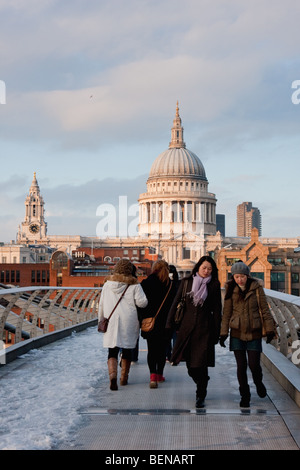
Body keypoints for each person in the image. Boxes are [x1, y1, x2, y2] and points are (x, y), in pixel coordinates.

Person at [166, 256, 222, 408]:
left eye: (209, 269)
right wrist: (169, 323)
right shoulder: (186, 283)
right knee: (191, 366)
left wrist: (218, 332)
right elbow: (175, 303)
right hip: (186, 329)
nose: (206, 271)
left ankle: (200, 394)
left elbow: (217, 311)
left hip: (205, 330)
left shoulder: (214, 285)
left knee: (201, 363)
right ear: (198, 267)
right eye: (204, 268)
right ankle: (202, 381)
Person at [219, 261, 276, 408]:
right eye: (237, 277)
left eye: (242, 276)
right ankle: (245, 395)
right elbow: (226, 313)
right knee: (241, 365)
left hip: (254, 332)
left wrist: (270, 330)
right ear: (233, 277)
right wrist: (224, 333)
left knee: (254, 364)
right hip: (237, 332)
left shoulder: (256, 288)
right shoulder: (230, 289)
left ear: (247, 276)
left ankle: (258, 383)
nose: (240, 280)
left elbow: (265, 310)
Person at [98, 259, 148, 391]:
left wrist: (100, 320)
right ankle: (124, 378)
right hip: (129, 320)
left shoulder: (107, 284)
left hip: (111, 320)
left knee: (112, 350)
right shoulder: (135, 285)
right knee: (127, 349)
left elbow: (101, 304)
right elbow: (143, 303)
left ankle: (112, 376)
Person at [138, 260, 177, 388]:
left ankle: (152, 376)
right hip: (166, 323)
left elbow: (141, 304)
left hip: (151, 322)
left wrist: (141, 319)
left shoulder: (146, 283)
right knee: (162, 350)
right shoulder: (171, 285)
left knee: (152, 350)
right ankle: (160, 375)